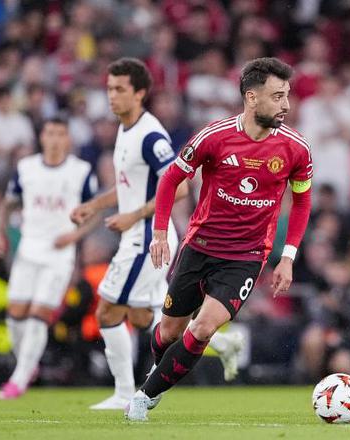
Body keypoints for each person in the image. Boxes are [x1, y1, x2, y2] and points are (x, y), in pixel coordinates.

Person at [126, 57, 314, 421]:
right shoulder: (214, 136)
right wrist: (160, 233)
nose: (286, 105)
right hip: (199, 247)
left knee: (202, 328)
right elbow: (171, 179)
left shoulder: (295, 148)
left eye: (287, 96)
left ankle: (144, 397)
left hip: (246, 256)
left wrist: (288, 257)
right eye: (277, 96)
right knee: (168, 333)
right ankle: (175, 369)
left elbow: (303, 201)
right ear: (251, 97)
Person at [70, 58, 243, 411]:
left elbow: (178, 187)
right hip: (135, 234)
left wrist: (133, 216)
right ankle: (223, 344)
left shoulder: (150, 136)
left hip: (148, 238)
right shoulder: (125, 130)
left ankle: (124, 393)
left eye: (120, 89)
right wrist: (95, 205)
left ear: (140, 93)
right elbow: (129, 186)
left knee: (107, 312)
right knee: (143, 318)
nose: (112, 96)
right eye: (109, 89)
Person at [0, 117, 98, 399]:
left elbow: (94, 211)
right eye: (50, 133)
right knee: (15, 317)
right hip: (28, 250)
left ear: (68, 139)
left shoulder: (81, 171)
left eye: (60, 134)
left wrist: (74, 236)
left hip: (59, 255)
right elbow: (7, 204)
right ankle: (28, 365)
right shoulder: (26, 168)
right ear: (42, 137)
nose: (54, 139)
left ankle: (19, 378)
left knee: (39, 315)